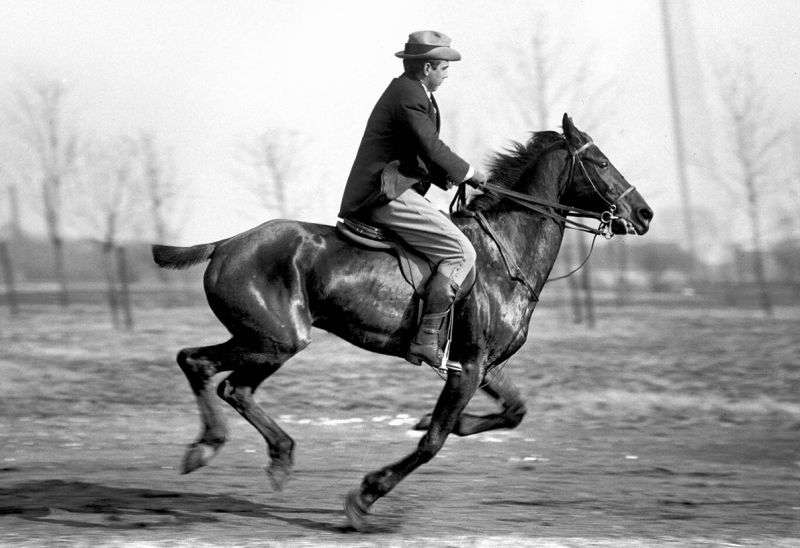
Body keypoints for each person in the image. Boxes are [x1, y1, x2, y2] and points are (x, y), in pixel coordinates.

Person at [338, 30, 487, 368]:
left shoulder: (412, 92)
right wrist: (468, 173)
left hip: (394, 187)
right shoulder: (408, 95)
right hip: (385, 192)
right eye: (444, 68)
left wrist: (451, 177)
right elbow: (430, 147)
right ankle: (425, 341)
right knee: (461, 251)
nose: (447, 75)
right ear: (427, 68)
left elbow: (419, 155)